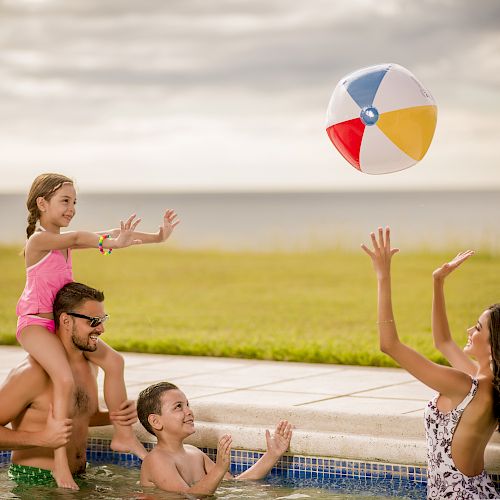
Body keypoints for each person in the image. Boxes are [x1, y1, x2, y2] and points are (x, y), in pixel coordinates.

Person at [16, 173, 179, 489]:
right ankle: (60, 463)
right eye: (65, 200)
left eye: (74, 201)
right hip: (35, 324)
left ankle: (123, 435)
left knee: (114, 362)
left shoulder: (63, 242)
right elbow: (79, 238)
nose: (72, 207)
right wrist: (111, 242)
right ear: (41, 203)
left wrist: (156, 237)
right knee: (64, 379)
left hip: (63, 325)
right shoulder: (38, 240)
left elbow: (113, 234)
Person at [362, 227, 499, 499]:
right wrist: (438, 281)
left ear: (494, 345)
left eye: (478, 328)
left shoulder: (464, 386)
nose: (469, 332)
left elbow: (389, 345)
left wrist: (383, 275)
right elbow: (444, 342)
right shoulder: (489, 386)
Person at [1, 282, 139, 487]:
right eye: (93, 321)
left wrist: (117, 416)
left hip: (80, 477)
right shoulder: (32, 373)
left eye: (103, 320)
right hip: (34, 482)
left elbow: (78, 417)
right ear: (66, 321)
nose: (101, 329)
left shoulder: (90, 366)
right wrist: (42, 438)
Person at [137, 382, 293, 495]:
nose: (189, 411)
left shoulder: (194, 453)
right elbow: (189, 496)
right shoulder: (156, 460)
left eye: (187, 405)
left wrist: (272, 455)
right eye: (178, 406)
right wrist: (219, 468)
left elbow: (235, 484)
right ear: (156, 421)